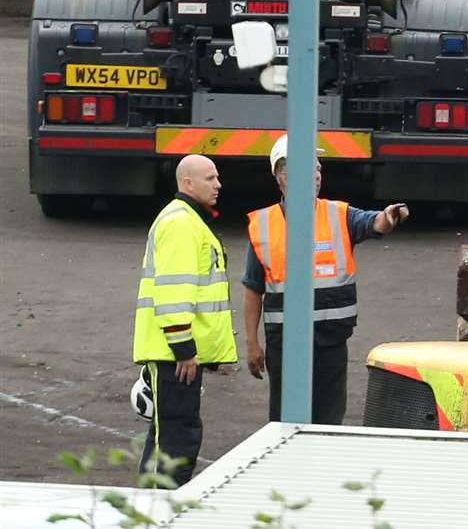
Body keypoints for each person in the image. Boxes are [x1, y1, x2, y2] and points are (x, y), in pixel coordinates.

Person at [241, 136, 407, 425]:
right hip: (286, 344)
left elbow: (373, 222)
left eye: (319, 169)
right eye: (310, 169)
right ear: (284, 177)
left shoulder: (338, 214)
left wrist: (388, 216)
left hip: (330, 341)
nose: (317, 176)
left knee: (328, 420)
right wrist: (252, 343)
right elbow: (253, 289)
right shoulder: (263, 225)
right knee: (285, 422)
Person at [132, 154, 236, 486]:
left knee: (169, 436)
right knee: (177, 440)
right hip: (174, 356)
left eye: (217, 177)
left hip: (175, 354)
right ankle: (160, 514)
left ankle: (149, 513)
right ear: (187, 183)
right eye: (210, 178)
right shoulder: (181, 224)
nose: (218, 184)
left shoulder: (188, 221)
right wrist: (184, 350)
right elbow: (174, 293)